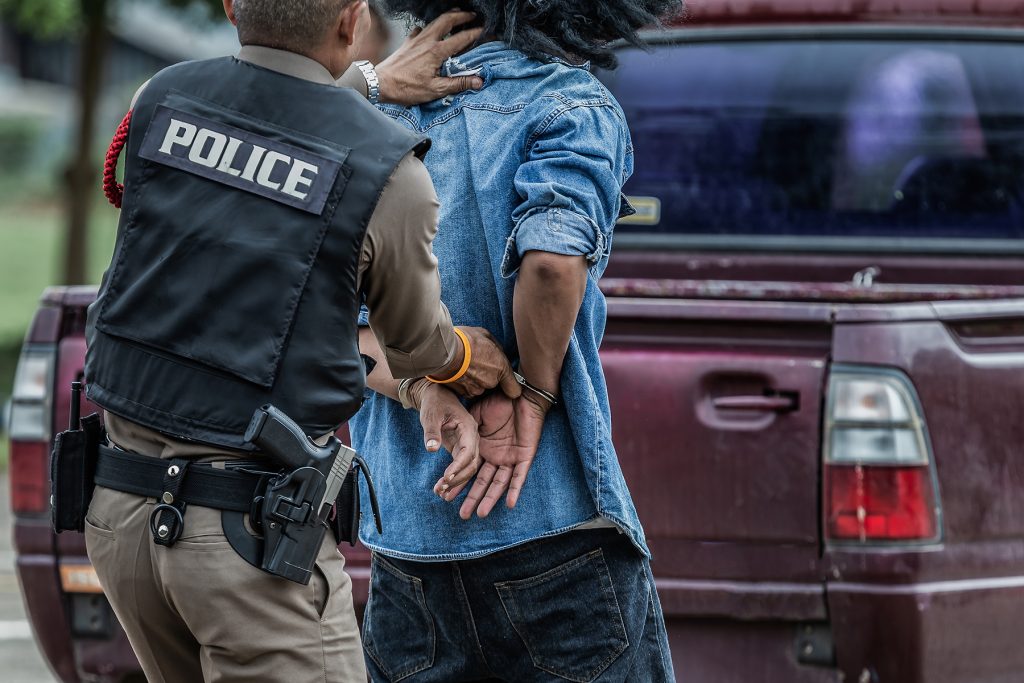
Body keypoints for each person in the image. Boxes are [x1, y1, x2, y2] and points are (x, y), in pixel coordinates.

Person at [81, 2, 520, 682]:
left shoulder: (159, 100)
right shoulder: (387, 168)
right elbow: (414, 345)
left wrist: (365, 85)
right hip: (246, 546)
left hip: (120, 523)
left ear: (230, 5)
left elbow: (250, 135)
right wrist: (468, 355)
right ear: (353, 19)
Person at [351, 1, 681, 681]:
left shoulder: (368, 123)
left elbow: (331, 327)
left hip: (409, 547)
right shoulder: (568, 103)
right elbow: (553, 262)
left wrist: (428, 385)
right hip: (553, 529)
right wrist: (530, 392)